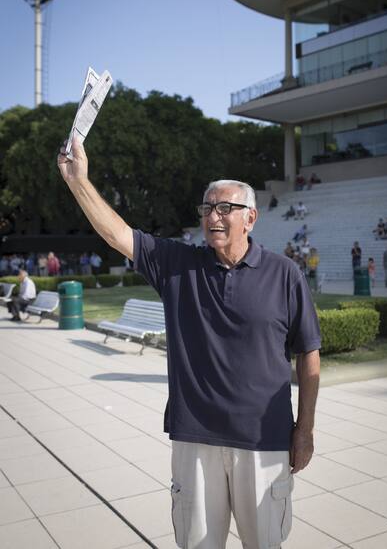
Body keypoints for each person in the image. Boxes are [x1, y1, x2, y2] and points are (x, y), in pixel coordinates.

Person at [58, 137, 321, 549]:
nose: (213, 216)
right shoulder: (178, 265)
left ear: (250, 218)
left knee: (265, 543)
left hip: (264, 441)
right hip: (195, 439)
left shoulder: (284, 273)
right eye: (207, 208)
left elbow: (308, 353)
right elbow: (118, 235)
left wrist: (304, 430)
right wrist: (79, 181)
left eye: (225, 208)